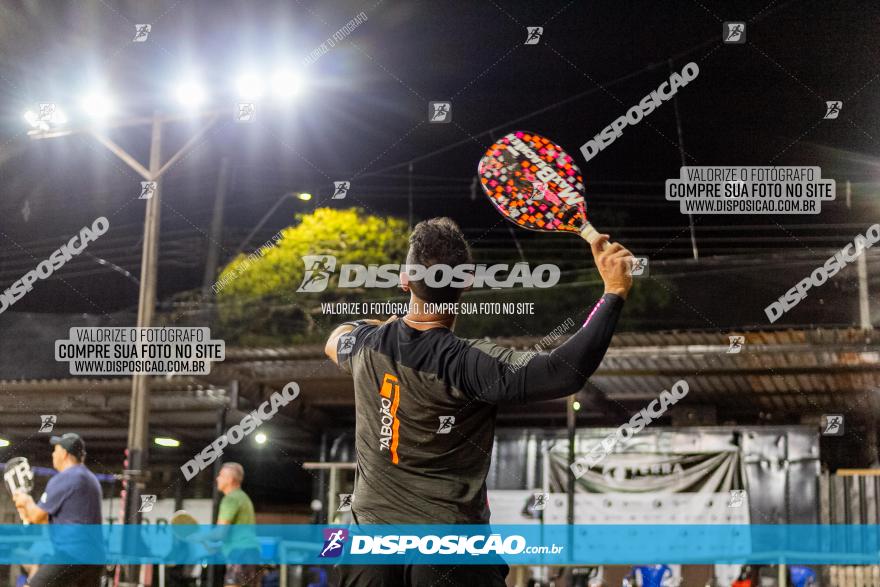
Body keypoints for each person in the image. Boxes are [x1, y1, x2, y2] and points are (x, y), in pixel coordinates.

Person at [324, 217, 633, 586]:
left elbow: (336, 337)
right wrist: (613, 292)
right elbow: (563, 372)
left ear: (404, 280)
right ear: (467, 283)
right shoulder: (469, 363)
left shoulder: (365, 346)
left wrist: (381, 329)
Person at [13, 433, 103, 587]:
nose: (53, 454)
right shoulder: (92, 479)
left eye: (56, 450)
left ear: (65, 454)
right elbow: (44, 521)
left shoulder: (65, 478)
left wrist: (25, 499)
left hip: (72, 554)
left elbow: (36, 516)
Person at [214, 462, 261, 587]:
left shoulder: (230, 499)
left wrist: (198, 536)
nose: (217, 478)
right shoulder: (244, 498)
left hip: (239, 553)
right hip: (251, 553)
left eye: (221, 475)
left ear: (230, 479)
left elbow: (219, 533)